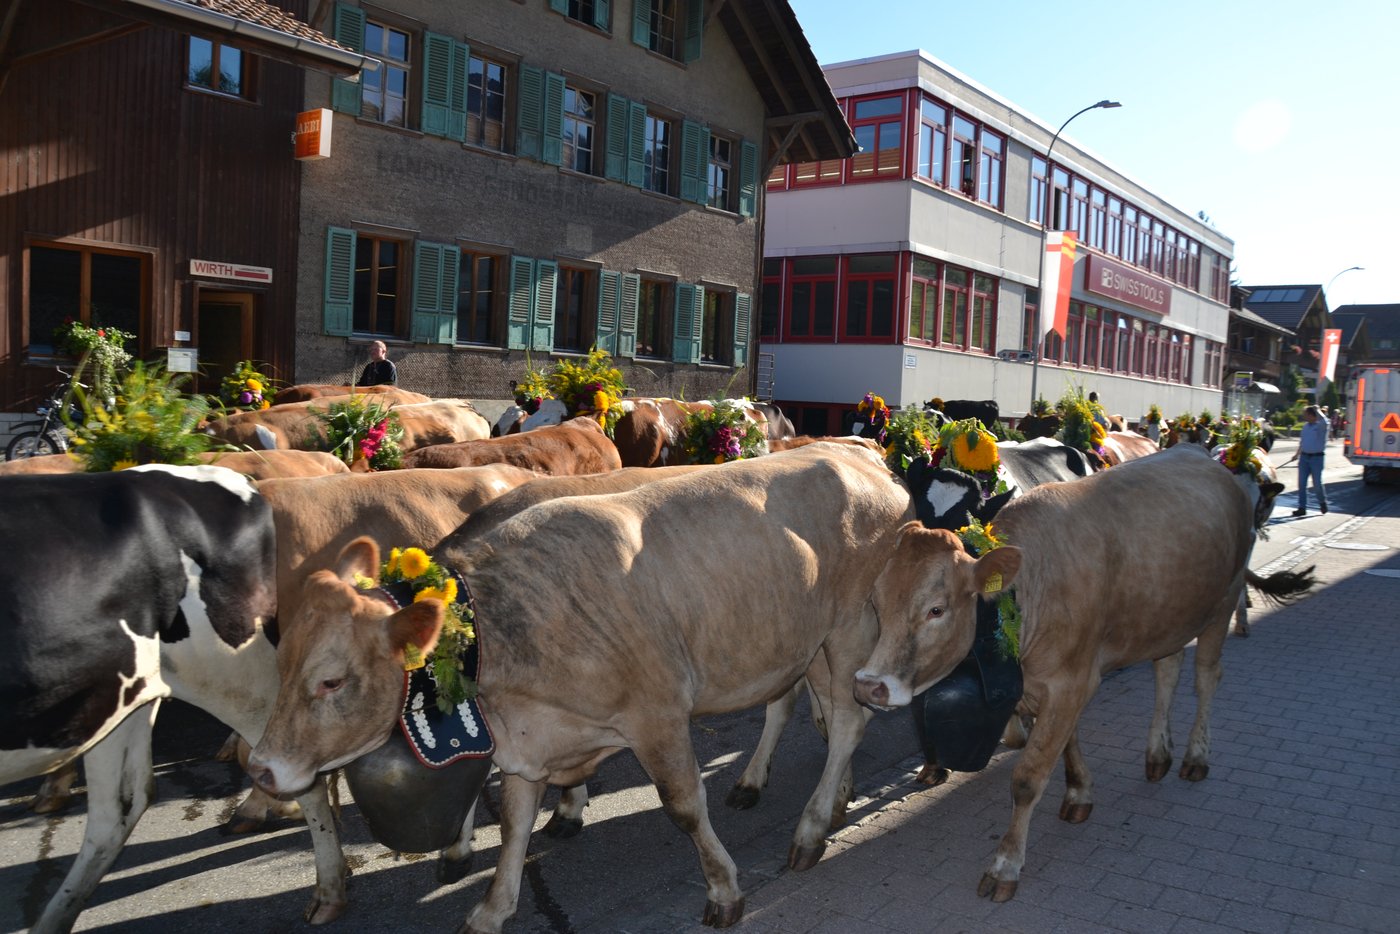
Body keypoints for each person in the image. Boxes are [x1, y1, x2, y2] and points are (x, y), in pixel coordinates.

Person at [1289, 404, 1329, 517]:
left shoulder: (1321, 426)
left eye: (1306, 414)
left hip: (1317, 458)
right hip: (1304, 458)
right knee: (1301, 484)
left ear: (1312, 415)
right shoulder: (1305, 426)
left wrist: (1318, 410)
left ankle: (1322, 502)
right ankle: (1302, 508)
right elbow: (1302, 443)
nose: (1304, 416)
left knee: (1317, 484)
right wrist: (1296, 455)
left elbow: (1325, 422)